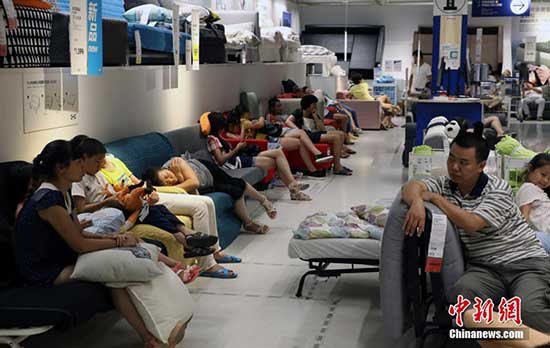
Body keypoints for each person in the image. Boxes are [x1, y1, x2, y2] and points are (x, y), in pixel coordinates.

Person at [14, 139, 173, 348]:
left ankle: (155, 331)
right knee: (115, 274)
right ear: (61, 168)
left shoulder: (62, 192)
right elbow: (79, 244)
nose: (83, 167)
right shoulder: (48, 200)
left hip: (62, 257)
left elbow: (79, 232)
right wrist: (117, 244)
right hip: (45, 271)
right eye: (78, 162)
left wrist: (115, 238)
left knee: (125, 260)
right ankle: (150, 338)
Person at [401, 125, 550, 346]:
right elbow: (413, 185)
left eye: (463, 163)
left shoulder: (498, 188)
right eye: (452, 159)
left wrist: (437, 200)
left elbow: (472, 224)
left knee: (528, 311)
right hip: (485, 268)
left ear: (481, 166)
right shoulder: (445, 184)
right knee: (463, 296)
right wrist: (416, 201)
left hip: (526, 263)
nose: (454, 167)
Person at [97, 151, 241, 279]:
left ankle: (215, 252)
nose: (102, 160)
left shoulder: (115, 161)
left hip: (144, 194)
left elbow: (137, 182)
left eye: (102, 156)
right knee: (199, 206)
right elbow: (116, 194)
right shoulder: (98, 173)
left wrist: (148, 191)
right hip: (133, 201)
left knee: (207, 201)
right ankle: (206, 265)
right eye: (97, 159)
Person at [70, 137, 217, 260]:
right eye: (97, 161)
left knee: (157, 209)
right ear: (83, 159)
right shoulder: (79, 179)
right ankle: (187, 240)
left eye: (102, 160)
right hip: (109, 211)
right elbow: (81, 208)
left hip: (121, 204)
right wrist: (109, 200)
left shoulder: (98, 174)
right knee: (151, 210)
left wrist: (137, 193)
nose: (101, 165)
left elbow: (125, 186)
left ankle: (187, 237)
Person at [143, 156, 274, 236]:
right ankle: (248, 223)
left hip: (205, 169)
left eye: (167, 175)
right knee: (232, 189)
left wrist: (173, 184)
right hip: (204, 185)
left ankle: (263, 200)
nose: (169, 180)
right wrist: (179, 179)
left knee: (236, 183)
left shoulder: (175, 162)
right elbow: (194, 190)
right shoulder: (171, 184)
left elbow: (194, 182)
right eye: (165, 182)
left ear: (163, 168)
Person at [207, 112, 312, 201]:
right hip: (234, 163)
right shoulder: (212, 139)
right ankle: (294, 190)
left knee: (278, 153)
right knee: (276, 162)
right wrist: (237, 148)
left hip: (240, 157)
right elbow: (220, 160)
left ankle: (293, 185)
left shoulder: (218, 137)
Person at [286, 95, 353, 176]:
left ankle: (337, 164)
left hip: (314, 133)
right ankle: (337, 167)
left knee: (341, 134)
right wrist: (298, 129)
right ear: (309, 104)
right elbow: (288, 121)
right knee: (336, 137)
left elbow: (322, 129)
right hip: (307, 135)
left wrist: (315, 117)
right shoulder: (298, 112)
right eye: (314, 104)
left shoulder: (313, 114)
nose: (315, 106)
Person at [516, 153, 550, 253]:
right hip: (543, 236)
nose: (545, 181)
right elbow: (523, 216)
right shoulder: (528, 188)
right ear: (531, 168)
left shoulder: (539, 191)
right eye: (543, 175)